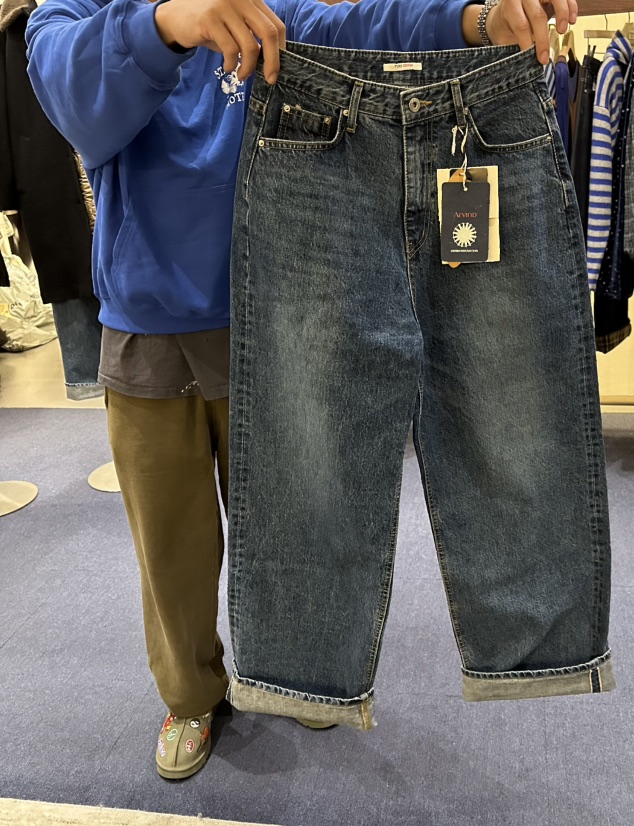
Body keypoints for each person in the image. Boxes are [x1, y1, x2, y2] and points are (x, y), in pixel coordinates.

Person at [26, 0, 576, 780]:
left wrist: (473, 20)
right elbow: (78, 106)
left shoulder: (268, 8)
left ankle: (298, 671)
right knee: (172, 548)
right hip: (149, 323)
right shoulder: (77, 12)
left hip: (281, 312)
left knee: (303, 520)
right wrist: (168, 23)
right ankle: (190, 696)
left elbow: (367, 28)